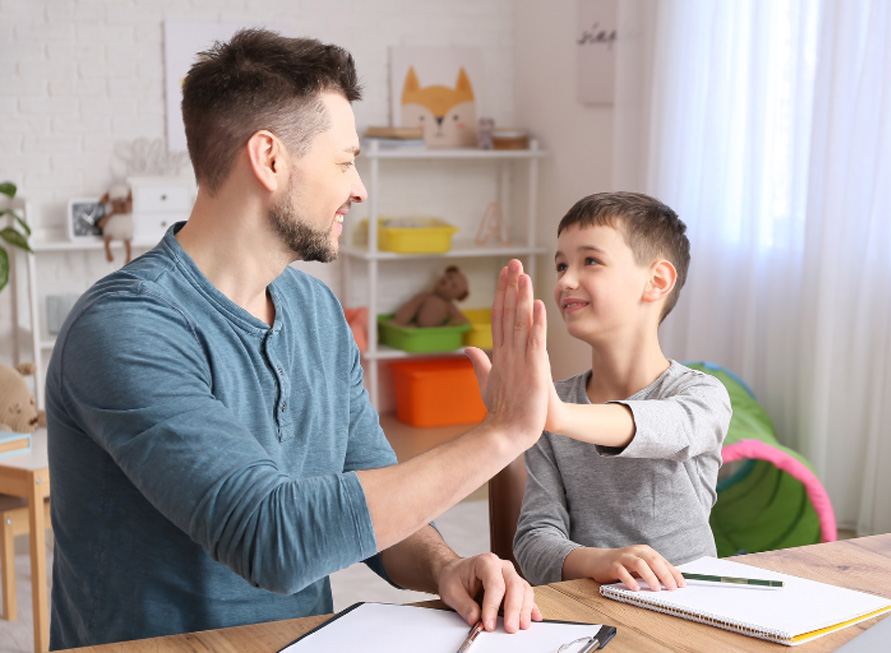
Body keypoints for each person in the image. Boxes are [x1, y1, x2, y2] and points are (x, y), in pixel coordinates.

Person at [46, 29, 551, 649]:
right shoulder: (125, 327)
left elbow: (374, 502)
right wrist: (504, 431)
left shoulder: (315, 311)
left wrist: (445, 567)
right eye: (344, 162)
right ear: (270, 159)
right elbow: (272, 539)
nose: (359, 187)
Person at [513, 191, 733, 592]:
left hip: (691, 607)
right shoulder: (554, 409)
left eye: (590, 261)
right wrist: (600, 561)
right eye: (561, 265)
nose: (565, 280)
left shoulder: (702, 395)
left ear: (657, 281)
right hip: (587, 603)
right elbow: (532, 544)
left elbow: (671, 429)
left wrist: (559, 416)